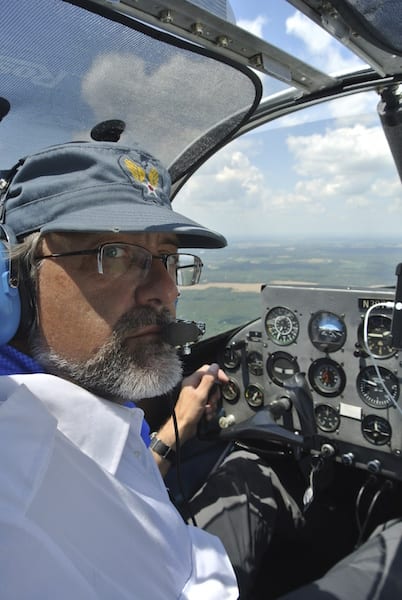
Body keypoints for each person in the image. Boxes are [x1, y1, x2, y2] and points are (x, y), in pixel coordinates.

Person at [0, 140, 238, 599]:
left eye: (168, 258)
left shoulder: (79, 395)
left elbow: (104, 493)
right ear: (13, 281)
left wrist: (170, 437)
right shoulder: (14, 510)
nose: (167, 291)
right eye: (115, 254)